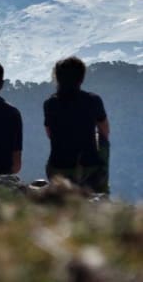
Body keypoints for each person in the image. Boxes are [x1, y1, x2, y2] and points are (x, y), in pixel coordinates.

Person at [44, 57, 110, 193]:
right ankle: (102, 190)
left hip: (58, 168)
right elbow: (105, 130)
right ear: (81, 78)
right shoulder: (93, 100)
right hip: (89, 166)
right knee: (104, 141)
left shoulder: (50, 103)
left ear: (57, 78)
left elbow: (49, 134)